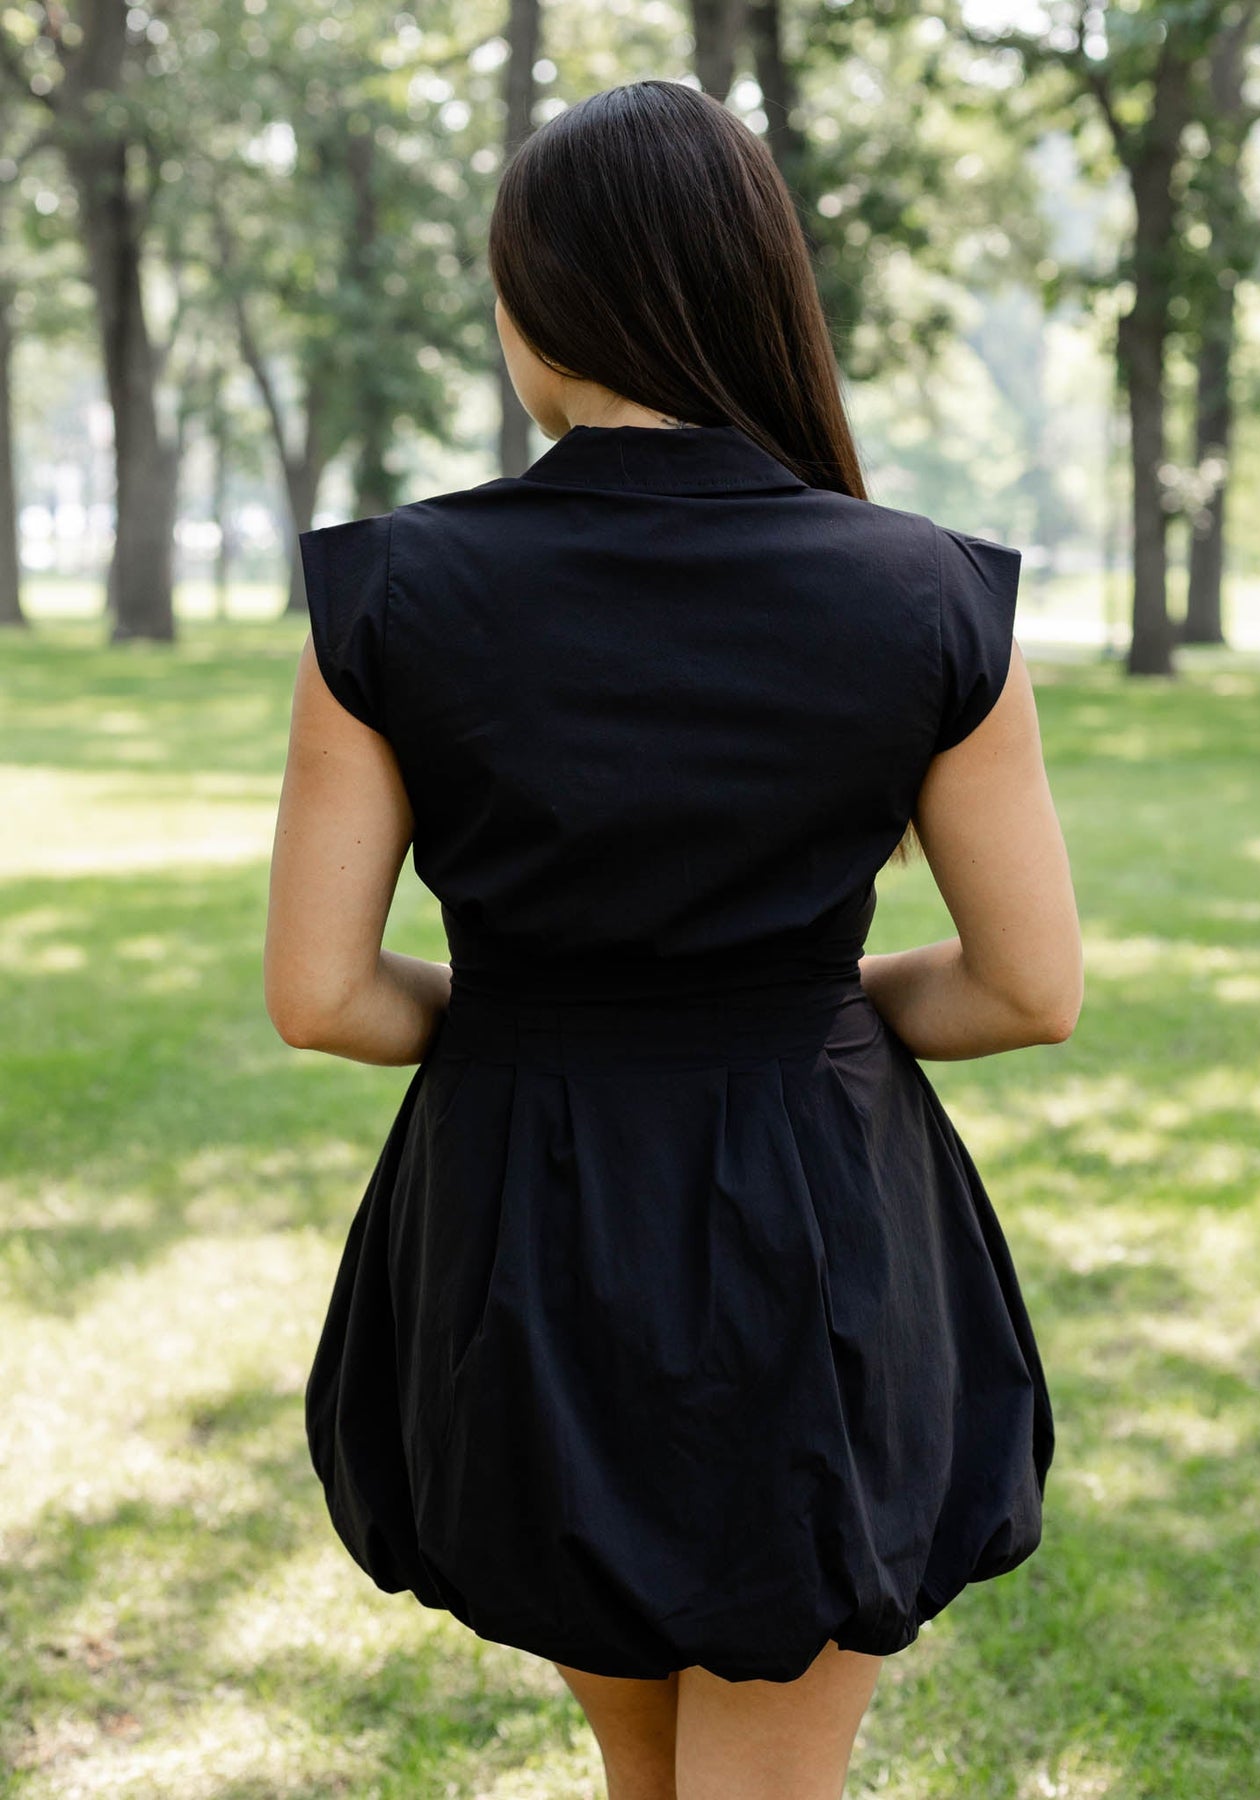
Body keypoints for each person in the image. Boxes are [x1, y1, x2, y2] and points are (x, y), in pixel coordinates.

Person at [264, 76, 1082, 1800]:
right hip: (816, 1223)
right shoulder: (929, 594)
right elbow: (1025, 987)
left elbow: (322, 996)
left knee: (646, 1777)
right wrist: (796, 1002)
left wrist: (541, 1015)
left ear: (535, 306)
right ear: (755, 289)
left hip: (524, 1232)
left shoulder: (391, 594)